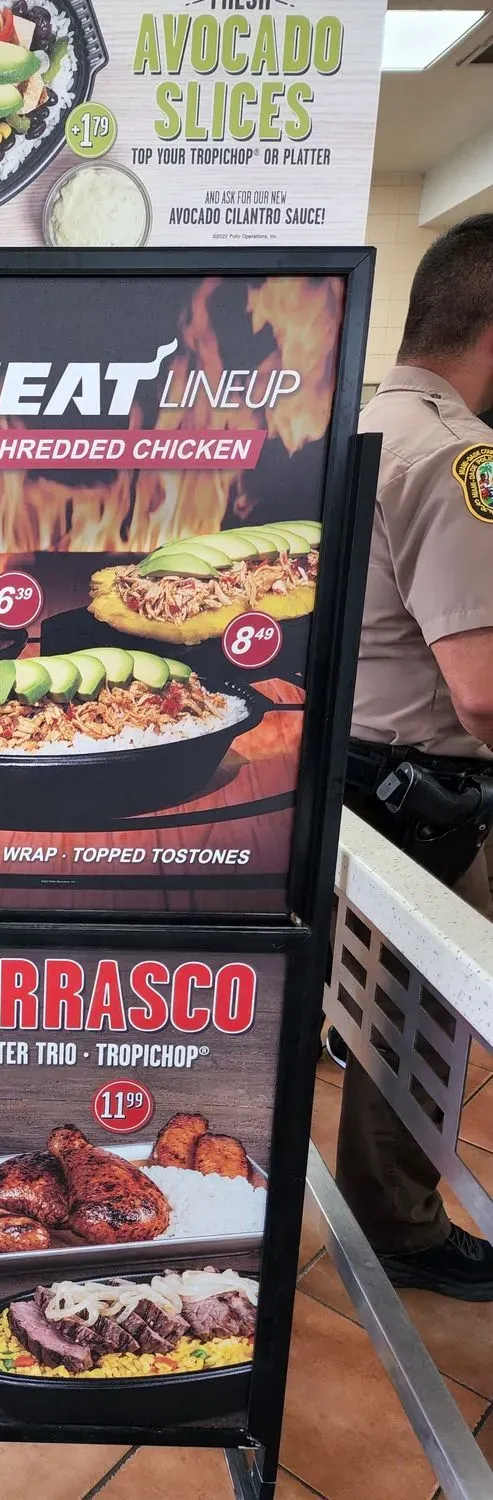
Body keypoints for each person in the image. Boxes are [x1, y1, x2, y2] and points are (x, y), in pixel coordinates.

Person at [337, 213, 493, 1301]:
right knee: (416, 1015)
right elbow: (480, 689)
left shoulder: (356, 426)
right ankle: (395, 1223)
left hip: (351, 772)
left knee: (376, 1003)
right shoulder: (457, 453)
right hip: (425, 794)